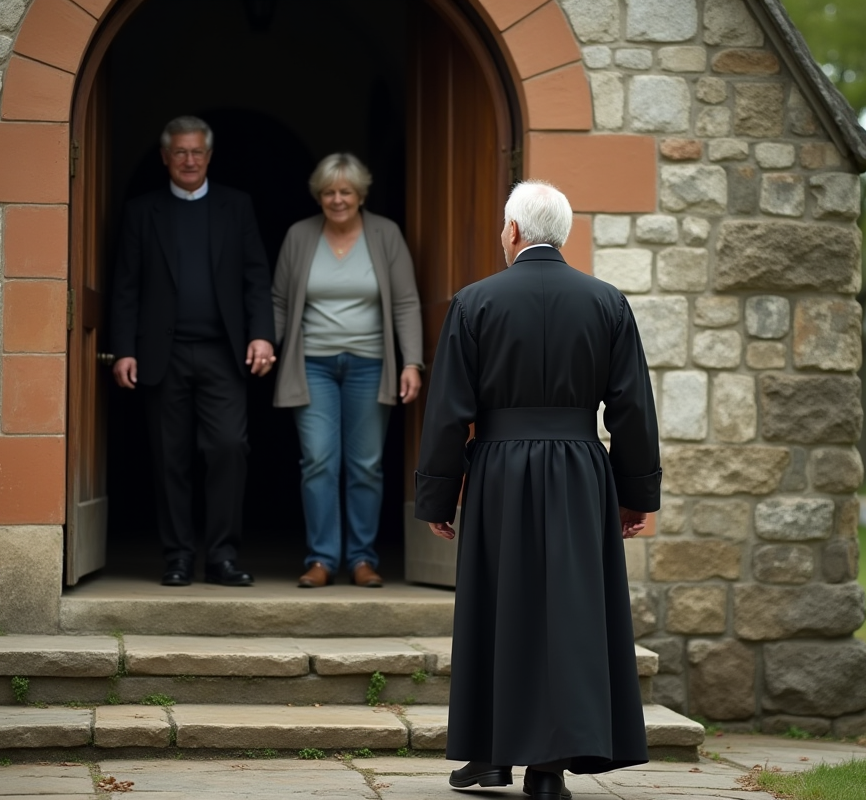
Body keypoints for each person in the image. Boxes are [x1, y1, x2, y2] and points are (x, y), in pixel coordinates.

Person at [414, 181, 661, 800]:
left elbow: (448, 413)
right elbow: (632, 409)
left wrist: (438, 496)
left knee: (498, 611)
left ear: (514, 232)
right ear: (563, 234)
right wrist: (635, 495)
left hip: (499, 472)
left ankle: (490, 756)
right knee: (569, 616)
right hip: (581, 473)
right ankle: (547, 772)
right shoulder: (608, 303)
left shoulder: (474, 304)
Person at [109, 116, 275, 588]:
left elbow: (255, 278)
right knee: (170, 457)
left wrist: (262, 334)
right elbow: (126, 287)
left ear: (209, 156)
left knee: (228, 449)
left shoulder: (236, 206)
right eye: (179, 152)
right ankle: (178, 556)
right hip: (164, 354)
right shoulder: (143, 211)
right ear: (165, 157)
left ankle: (222, 557)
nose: (188, 160)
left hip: (225, 353)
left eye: (196, 151)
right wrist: (123, 349)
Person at [272, 153, 423, 588]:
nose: (337, 200)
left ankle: (361, 559)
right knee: (318, 460)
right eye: (328, 192)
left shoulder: (385, 234)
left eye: (345, 192)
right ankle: (321, 559)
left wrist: (411, 361)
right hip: (311, 365)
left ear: (361, 195)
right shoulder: (300, 235)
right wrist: (269, 345)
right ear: (318, 196)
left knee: (366, 465)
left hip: (370, 365)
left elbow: (407, 302)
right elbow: (280, 300)